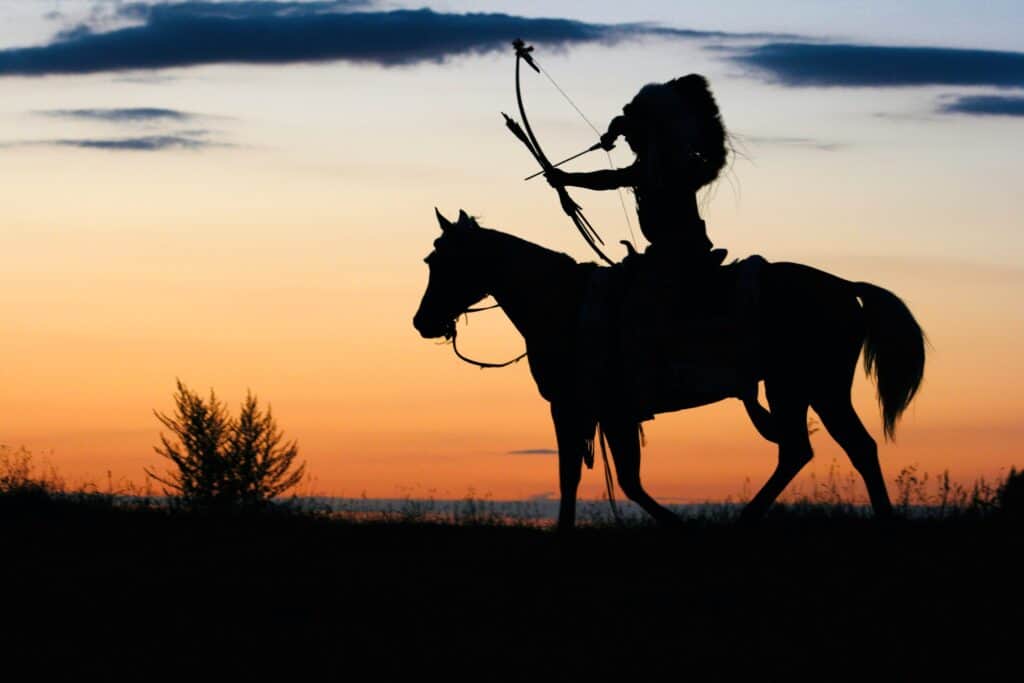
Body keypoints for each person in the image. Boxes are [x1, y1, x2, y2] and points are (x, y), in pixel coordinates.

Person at [545, 74, 728, 278]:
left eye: (630, 136)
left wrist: (567, 179)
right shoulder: (659, 158)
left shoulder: (664, 164)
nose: (628, 139)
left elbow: (612, 179)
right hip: (668, 252)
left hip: (680, 255)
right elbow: (623, 123)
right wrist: (611, 135)